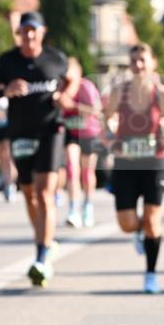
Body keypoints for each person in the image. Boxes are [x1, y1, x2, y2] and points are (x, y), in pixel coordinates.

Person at [0, 11, 74, 287]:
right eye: (24, 31)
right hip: (20, 132)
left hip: (51, 129)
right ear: (19, 33)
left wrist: (65, 95)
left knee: (45, 192)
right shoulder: (7, 62)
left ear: (42, 32)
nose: (29, 35)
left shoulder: (55, 59)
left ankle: (42, 258)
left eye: (34, 30)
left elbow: (72, 77)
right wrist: (4, 91)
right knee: (30, 194)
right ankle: (45, 240)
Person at [102, 43, 164, 294]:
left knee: (152, 220)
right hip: (126, 163)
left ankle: (150, 274)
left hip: (155, 162)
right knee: (126, 223)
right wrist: (112, 140)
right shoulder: (118, 92)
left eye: (142, 60)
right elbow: (105, 126)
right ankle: (139, 233)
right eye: (133, 60)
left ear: (152, 63)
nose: (137, 65)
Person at [59, 58, 102, 227]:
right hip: (70, 132)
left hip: (89, 132)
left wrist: (74, 107)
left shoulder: (86, 87)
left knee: (87, 172)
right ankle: (73, 209)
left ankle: (88, 206)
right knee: (71, 167)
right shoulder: (62, 88)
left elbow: (96, 110)